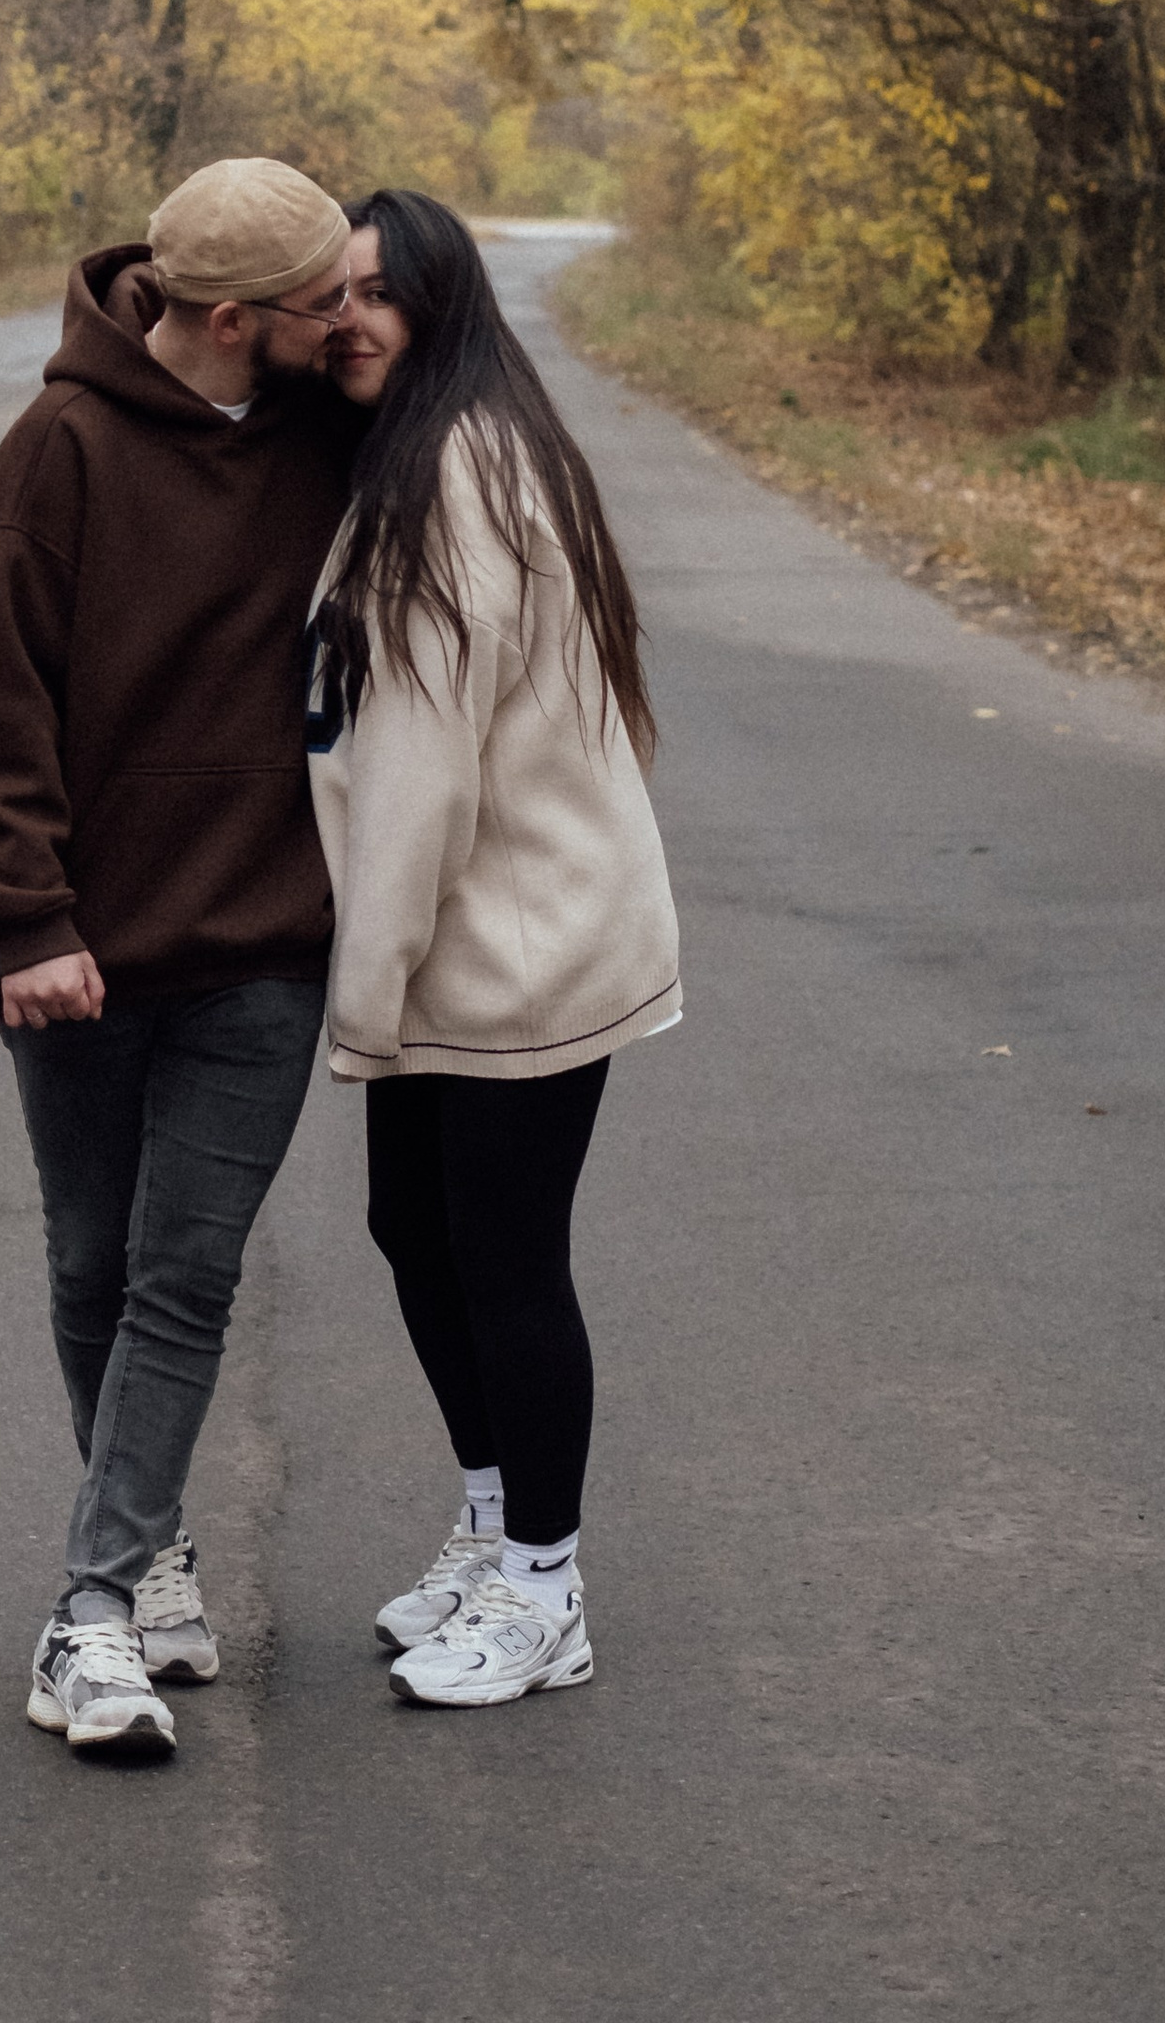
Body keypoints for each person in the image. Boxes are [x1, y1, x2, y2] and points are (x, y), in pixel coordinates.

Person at [0, 156, 361, 1758]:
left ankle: (93, 1606)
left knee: (185, 1276)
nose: (349, 320)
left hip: (263, 944)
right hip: (85, 953)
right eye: (324, 300)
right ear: (237, 316)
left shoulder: (335, 434)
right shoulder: (60, 450)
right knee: (90, 1266)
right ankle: (153, 1546)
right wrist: (27, 916)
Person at [307, 188, 679, 1708]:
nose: (349, 319)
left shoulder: (455, 472)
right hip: (474, 939)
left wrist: (363, 996)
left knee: (509, 1260)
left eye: (380, 292)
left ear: (442, 304)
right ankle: (488, 1524)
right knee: (415, 1225)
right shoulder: (437, 445)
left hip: (516, 948)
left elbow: (420, 769)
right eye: (332, 292)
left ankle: (545, 1585)